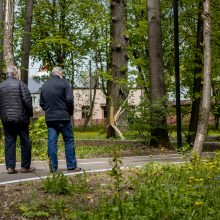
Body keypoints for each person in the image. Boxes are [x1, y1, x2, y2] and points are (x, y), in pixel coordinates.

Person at [40, 66, 81, 172]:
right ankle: (71, 166)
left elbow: (41, 103)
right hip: (63, 117)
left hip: (50, 119)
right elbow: (69, 99)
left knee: (52, 142)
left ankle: (53, 167)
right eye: (62, 74)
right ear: (60, 73)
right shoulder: (64, 83)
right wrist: (69, 112)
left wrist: (49, 110)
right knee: (68, 140)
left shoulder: (44, 85)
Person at [0, 66, 35, 174]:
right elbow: (27, 101)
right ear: (15, 74)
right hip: (21, 119)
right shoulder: (20, 84)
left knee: (9, 142)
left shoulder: (1, 86)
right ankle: (25, 167)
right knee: (25, 142)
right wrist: (29, 115)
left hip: (6, 119)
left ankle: (10, 167)